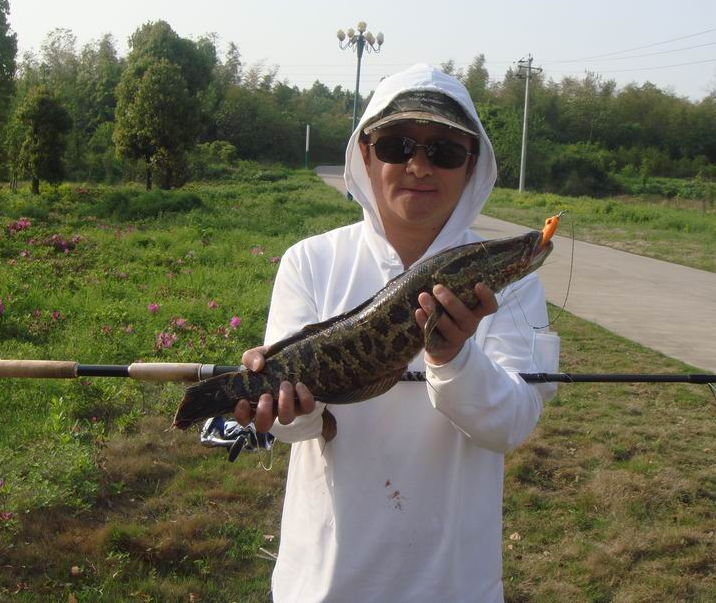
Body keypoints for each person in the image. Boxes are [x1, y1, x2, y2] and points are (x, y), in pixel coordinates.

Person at [235, 63, 559, 602]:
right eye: (396, 146)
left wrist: (454, 358)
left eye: (444, 151)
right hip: (325, 582)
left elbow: (511, 425)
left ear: (471, 164)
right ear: (366, 155)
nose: (418, 166)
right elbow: (296, 429)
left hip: (453, 585)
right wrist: (289, 410)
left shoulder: (513, 281)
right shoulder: (309, 263)